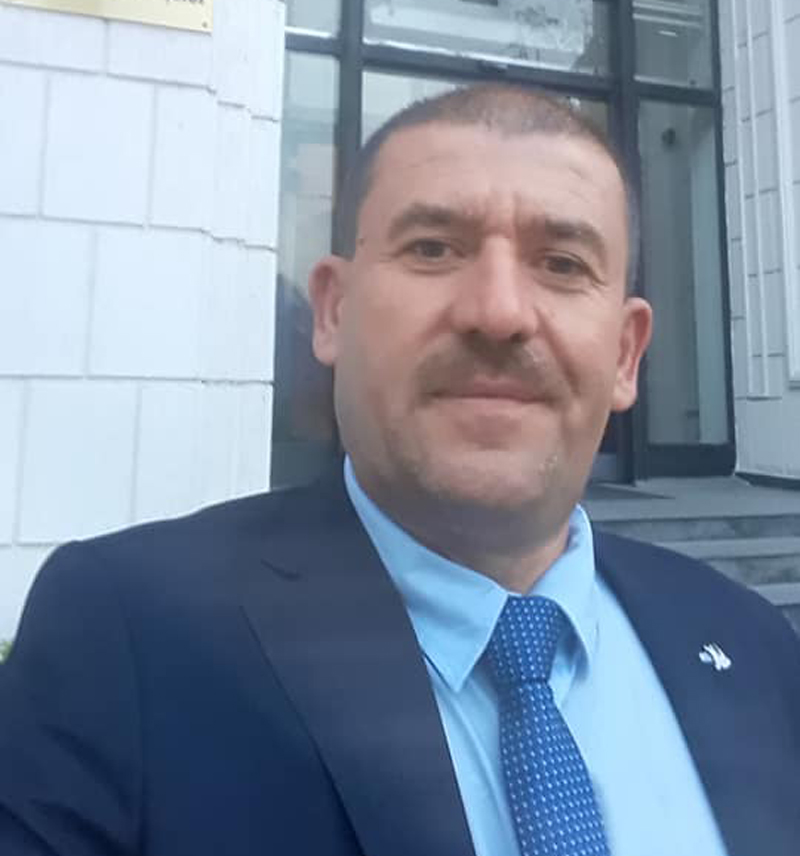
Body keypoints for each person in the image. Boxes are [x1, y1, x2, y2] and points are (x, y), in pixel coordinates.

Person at [1, 84, 799, 856]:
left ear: (625, 354)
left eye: (561, 263)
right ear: (333, 312)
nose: (498, 313)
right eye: (433, 249)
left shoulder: (752, 644)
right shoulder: (129, 638)